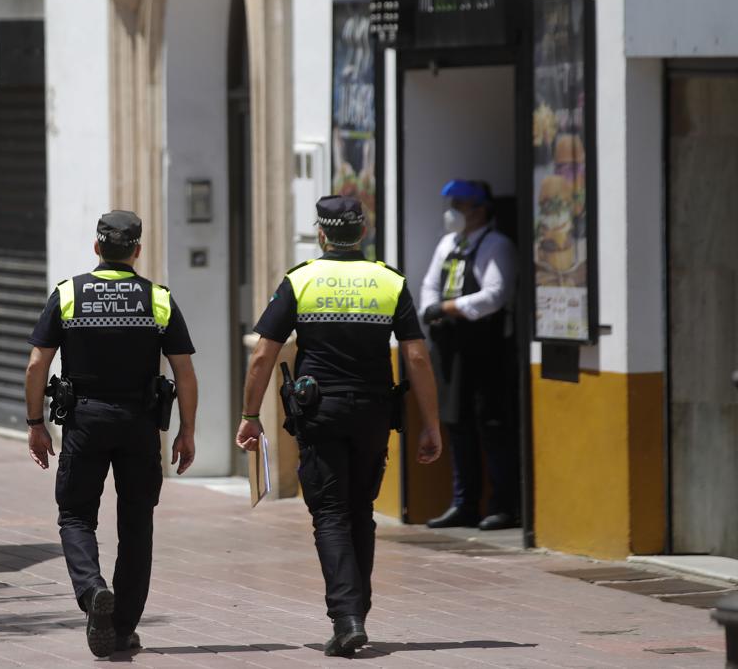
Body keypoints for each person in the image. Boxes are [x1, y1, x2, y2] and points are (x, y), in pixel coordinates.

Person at [235, 195, 442, 658]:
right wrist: (430, 423)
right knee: (359, 511)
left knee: (329, 514)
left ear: (322, 234)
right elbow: (415, 358)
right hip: (372, 412)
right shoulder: (389, 281)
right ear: (363, 233)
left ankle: (346, 618)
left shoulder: (301, 280)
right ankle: (356, 614)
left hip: (320, 411)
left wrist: (250, 417)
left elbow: (263, 355)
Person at [25, 210, 198, 657]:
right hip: (140, 424)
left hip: (85, 421)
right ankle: (121, 628)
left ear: (97, 247)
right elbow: (185, 372)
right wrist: (187, 432)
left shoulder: (68, 294)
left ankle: (92, 590)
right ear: (136, 251)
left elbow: (36, 364)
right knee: (137, 524)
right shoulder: (157, 299)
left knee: (76, 515)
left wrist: (35, 424)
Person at [419, 179, 519, 531]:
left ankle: (504, 505)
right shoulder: (449, 243)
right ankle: (464, 502)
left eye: (460, 205)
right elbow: (430, 282)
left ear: (480, 210)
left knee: (491, 426)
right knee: (457, 425)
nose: (453, 212)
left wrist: (448, 307)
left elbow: (495, 294)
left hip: (485, 348)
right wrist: (431, 307)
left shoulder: (496, 246)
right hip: (449, 349)